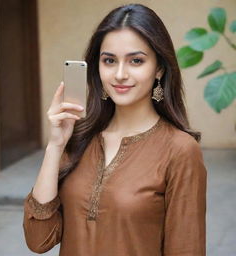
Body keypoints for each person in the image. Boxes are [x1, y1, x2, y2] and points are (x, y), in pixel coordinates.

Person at [23, 3, 207, 256]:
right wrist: (55, 145)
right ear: (97, 68)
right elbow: (38, 241)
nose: (120, 74)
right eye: (109, 60)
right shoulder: (79, 139)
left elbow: (186, 248)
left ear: (159, 69)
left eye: (136, 61)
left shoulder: (180, 150)